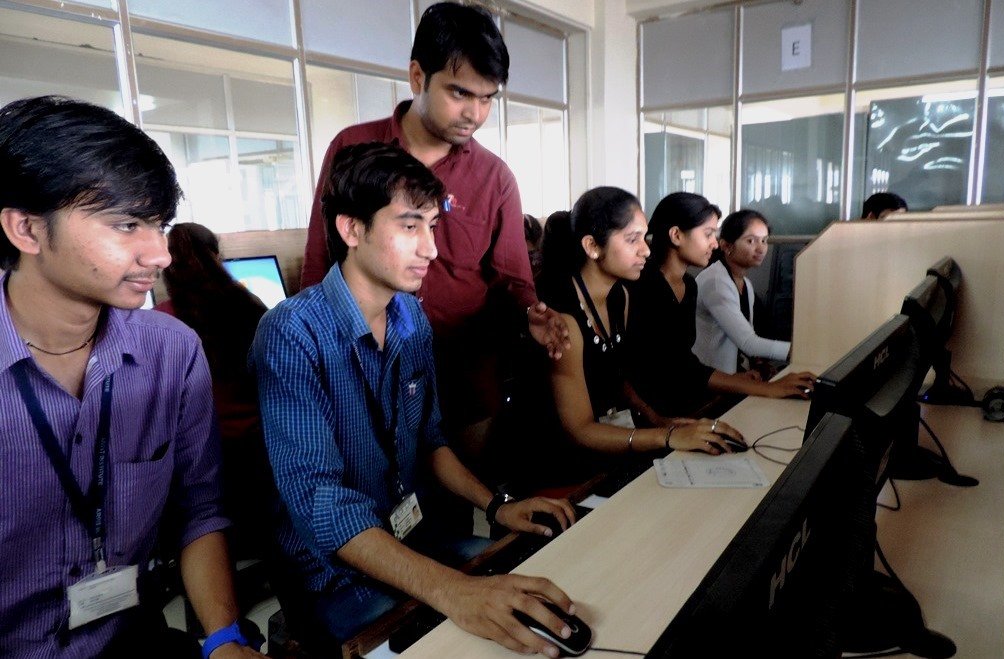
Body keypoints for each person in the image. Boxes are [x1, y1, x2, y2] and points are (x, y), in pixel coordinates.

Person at [250, 142, 578, 656]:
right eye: (409, 226)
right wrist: (453, 590)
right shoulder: (292, 333)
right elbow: (321, 504)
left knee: (536, 583)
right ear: (351, 229)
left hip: (413, 537)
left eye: (432, 226)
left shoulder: (409, 315)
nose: (431, 248)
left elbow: (430, 439)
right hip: (332, 573)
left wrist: (498, 506)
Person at [0, 96, 264, 658]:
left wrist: (223, 638)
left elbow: (199, 509)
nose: (160, 254)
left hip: (131, 639)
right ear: (27, 229)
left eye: (159, 225)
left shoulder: (171, 352)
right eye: (127, 225)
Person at [298, 3, 569, 482]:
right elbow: (320, 260)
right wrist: (315, 352)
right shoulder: (353, 150)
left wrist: (531, 314)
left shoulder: (494, 178)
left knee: (456, 502)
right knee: (371, 498)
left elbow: (512, 280)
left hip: (461, 378)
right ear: (418, 76)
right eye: (460, 92)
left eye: (488, 98)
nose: (475, 113)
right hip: (365, 372)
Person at [538, 187, 744, 477]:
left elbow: (615, 377)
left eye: (644, 237)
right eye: (632, 239)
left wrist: (658, 420)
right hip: (557, 462)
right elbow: (579, 430)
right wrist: (666, 436)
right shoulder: (563, 318)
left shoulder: (619, 297)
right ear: (592, 246)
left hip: (606, 444)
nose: (646, 250)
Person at [628, 193, 815, 421]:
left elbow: (685, 364)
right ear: (676, 235)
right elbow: (651, 368)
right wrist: (767, 388)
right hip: (657, 414)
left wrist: (750, 381)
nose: (714, 243)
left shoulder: (689, 285)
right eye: (708, 234)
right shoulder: (643, 285)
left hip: (684, 402)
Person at [156, 223, 273, 559]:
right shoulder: (250, 305)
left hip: (201, 461)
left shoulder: (162, 323)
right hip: (260, 453)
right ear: (216, 257)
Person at [693, 209, 791, 375]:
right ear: (726, 246)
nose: (761, 248)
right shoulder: (716, 283)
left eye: (764, 240)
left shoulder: (745, 284)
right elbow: (748, 343)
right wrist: (797, 351)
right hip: (711, 380)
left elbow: (746, 337)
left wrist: (758, 363)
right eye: (751, 241)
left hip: (734, 374)